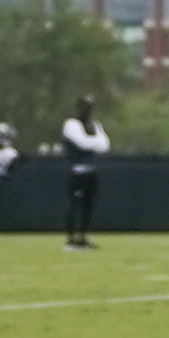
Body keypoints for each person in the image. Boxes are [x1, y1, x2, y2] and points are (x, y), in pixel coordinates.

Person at [60, 97, 108, 249]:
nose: (88, 110)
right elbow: (82, 142)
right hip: (76, 170)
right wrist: (94, 142)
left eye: (90, 107)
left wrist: (92, 143)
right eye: (85, 107)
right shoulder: (71, 124)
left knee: (88, 205)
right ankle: (71, 238)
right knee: (75, 204)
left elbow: (105, 145)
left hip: (91, 170)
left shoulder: (94, 125)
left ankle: (83, 237)